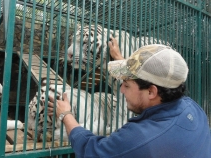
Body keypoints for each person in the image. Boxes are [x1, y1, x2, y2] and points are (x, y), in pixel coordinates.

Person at [48, 37, 211, 157]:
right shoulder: (194, 109)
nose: (121, 90)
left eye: (126, 84)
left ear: (151, 92)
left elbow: (91, 150)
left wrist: (66, 114)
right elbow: (147, 75)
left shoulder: (139, 139)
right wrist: (121, 59)